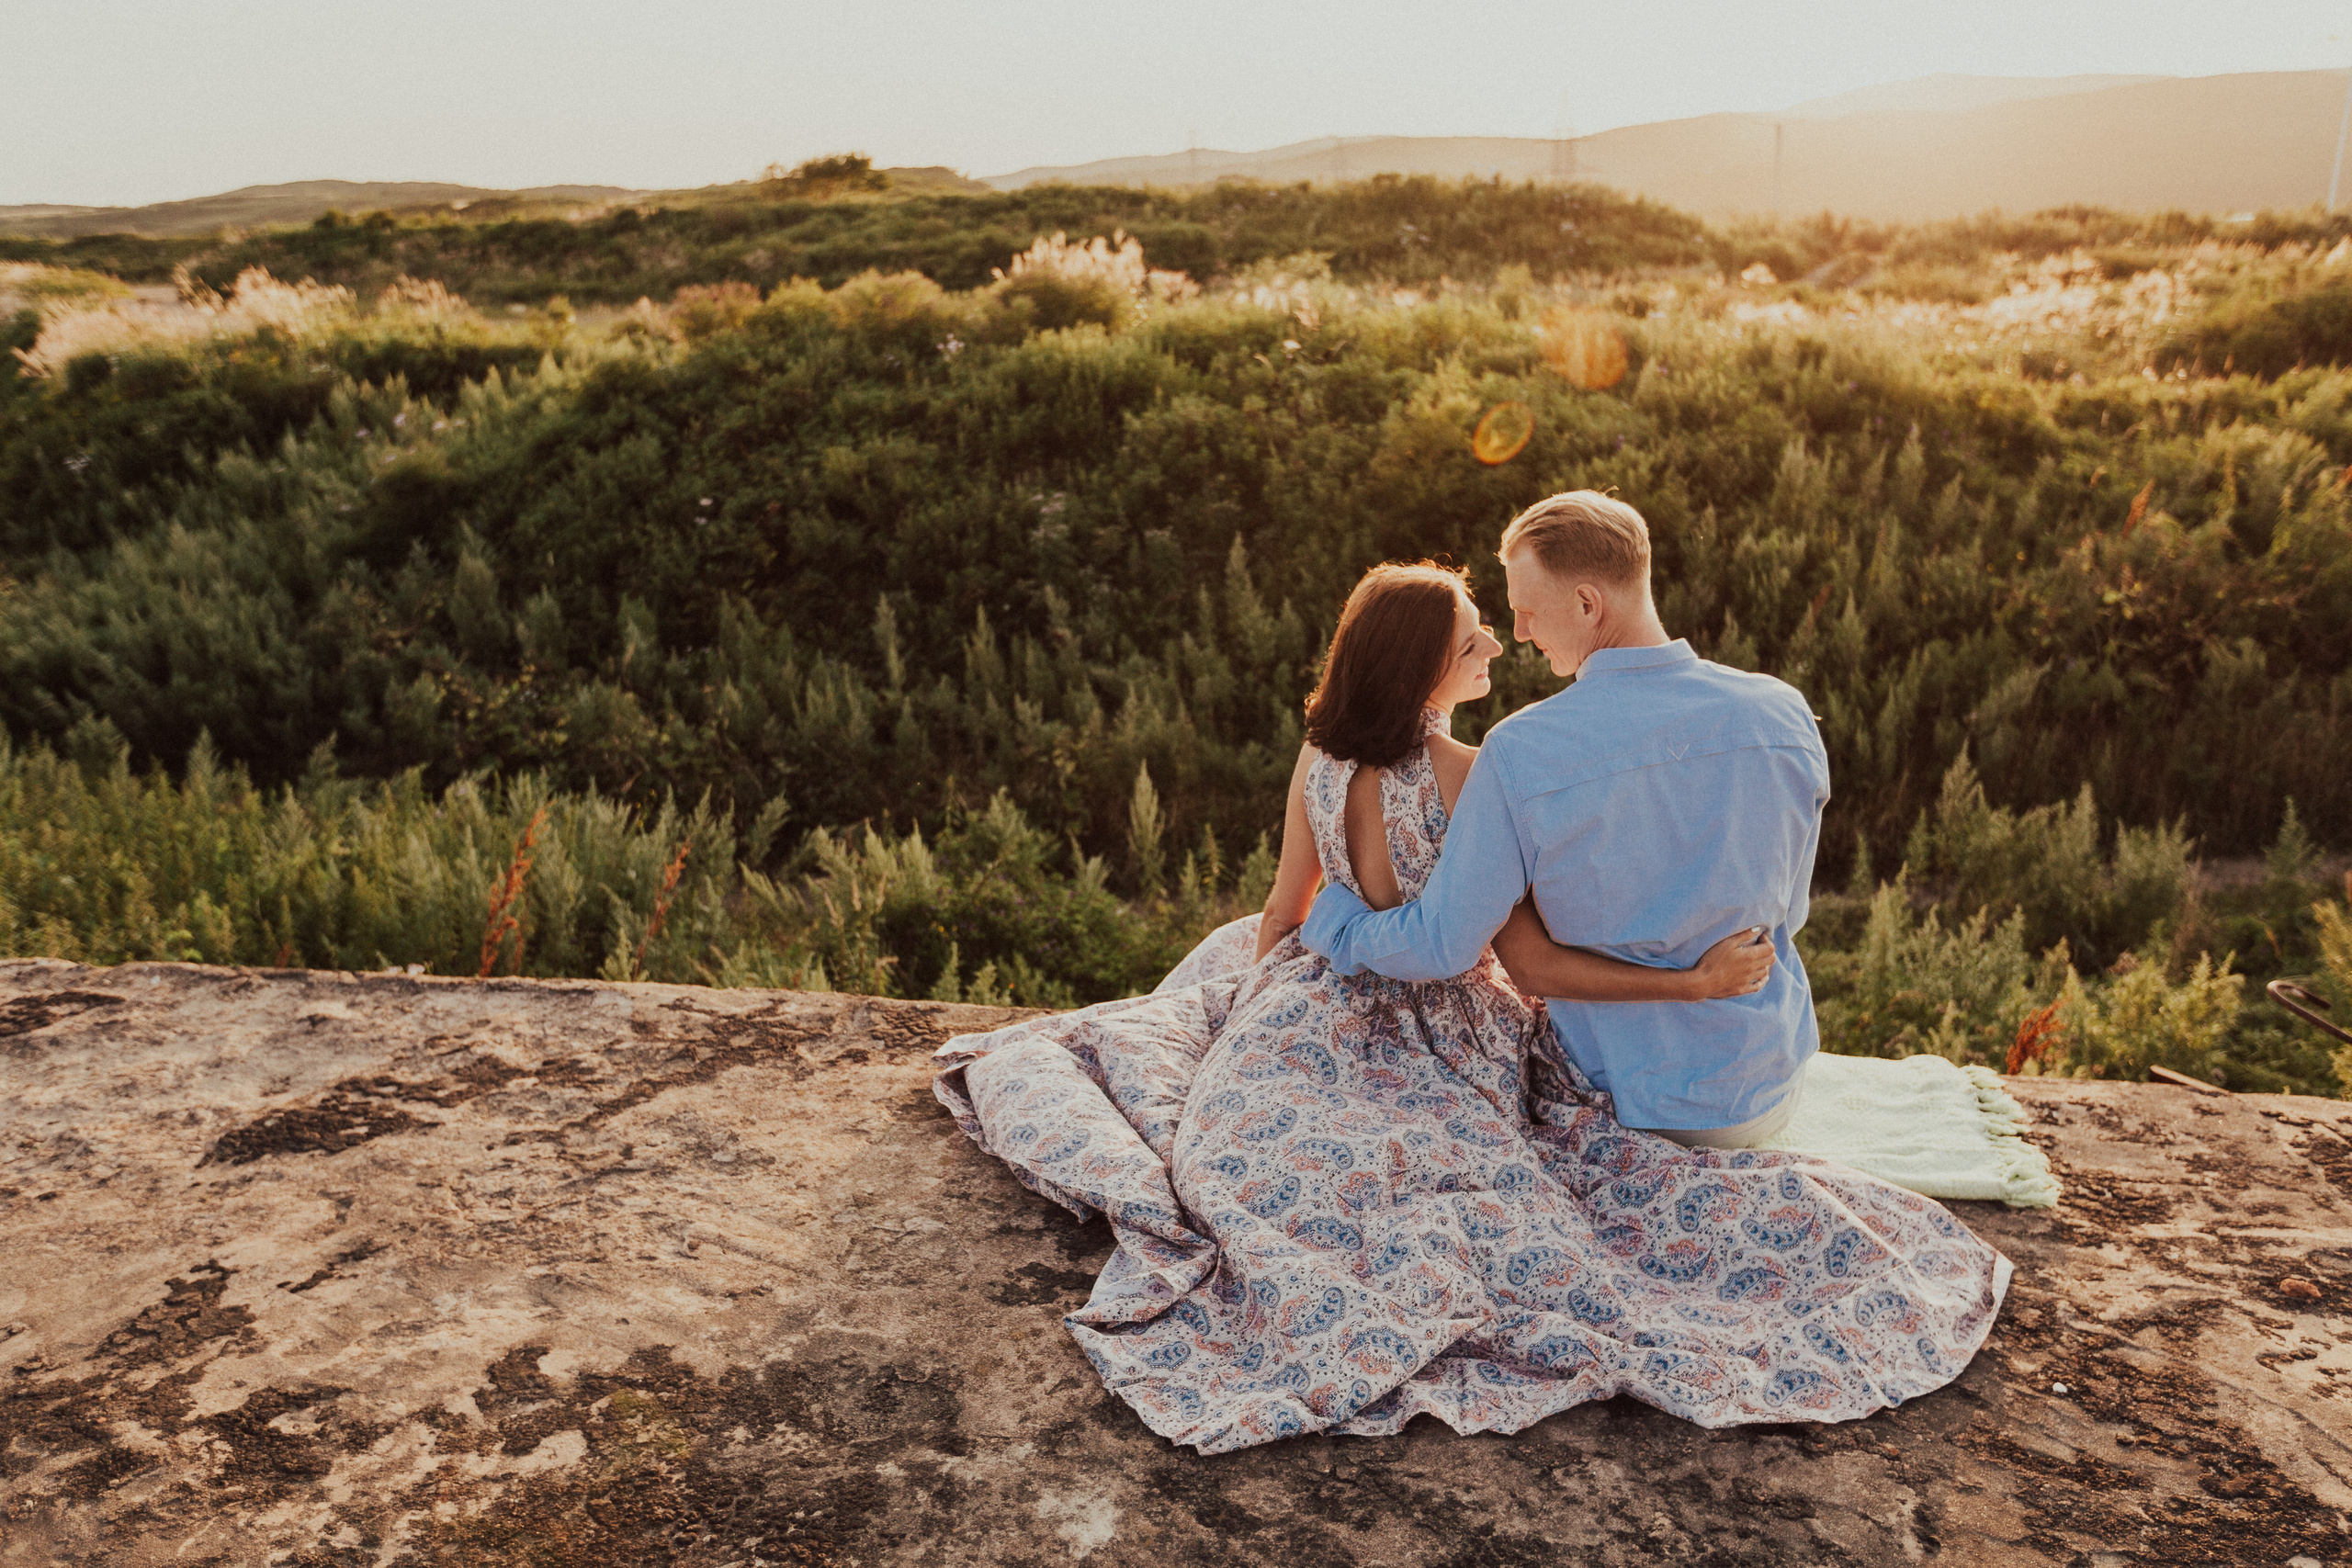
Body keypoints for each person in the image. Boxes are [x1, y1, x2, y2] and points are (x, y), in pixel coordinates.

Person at [933, 555, 2009, 1455]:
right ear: (1429, 667)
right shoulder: (1470, 769)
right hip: (1437, 1010)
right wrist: (1684, 979)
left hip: (1306, 992)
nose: (1498, 646)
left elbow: (1281, 908)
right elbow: (1518, 953)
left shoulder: (1316, 755)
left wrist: (1249, 1010)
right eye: (1475, 638)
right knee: (1536, 1184)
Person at [1304, 491, 1827, 1149]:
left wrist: (1338, 924)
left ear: (1587, 604)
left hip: (1626, 1102)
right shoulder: (1785, 714)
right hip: (1768, 1084)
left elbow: (1443, 944)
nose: (1517, 633)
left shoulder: (1520, 752)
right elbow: (1790, 913)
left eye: (1525, 611)